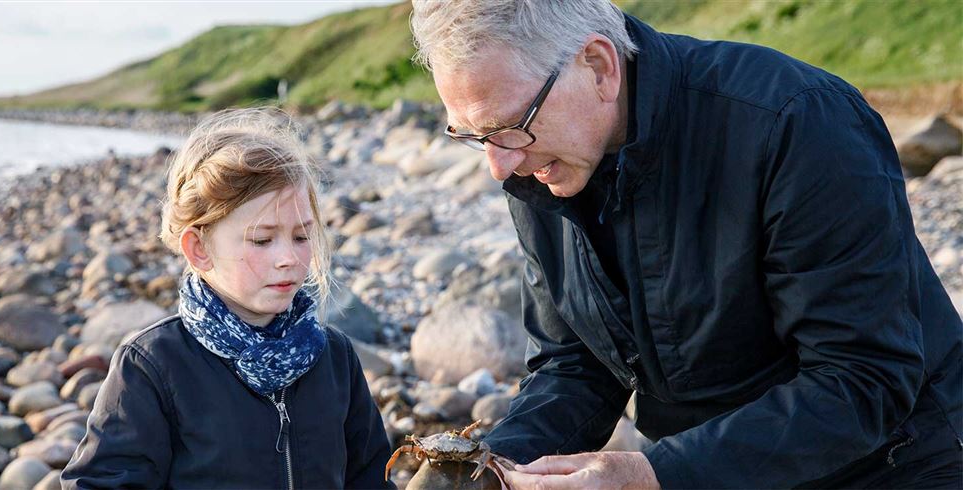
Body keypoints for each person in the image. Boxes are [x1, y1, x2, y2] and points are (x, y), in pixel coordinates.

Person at [410, 0, 963, 488]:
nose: (497, 165)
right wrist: (482, 471)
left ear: (599, 66)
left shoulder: (793, 123)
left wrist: (658, 473)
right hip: (703, 469)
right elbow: (575, 363)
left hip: (898, 463)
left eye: (508, 126)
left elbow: (864, 379)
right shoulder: (536, 162)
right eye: (473, 136)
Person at [60, 108, 393, 489]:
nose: (288, 258)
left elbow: (371, 478)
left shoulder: (333, 357)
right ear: (199, 248)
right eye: (262, 240)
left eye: (301, 236)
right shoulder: (154, 366)